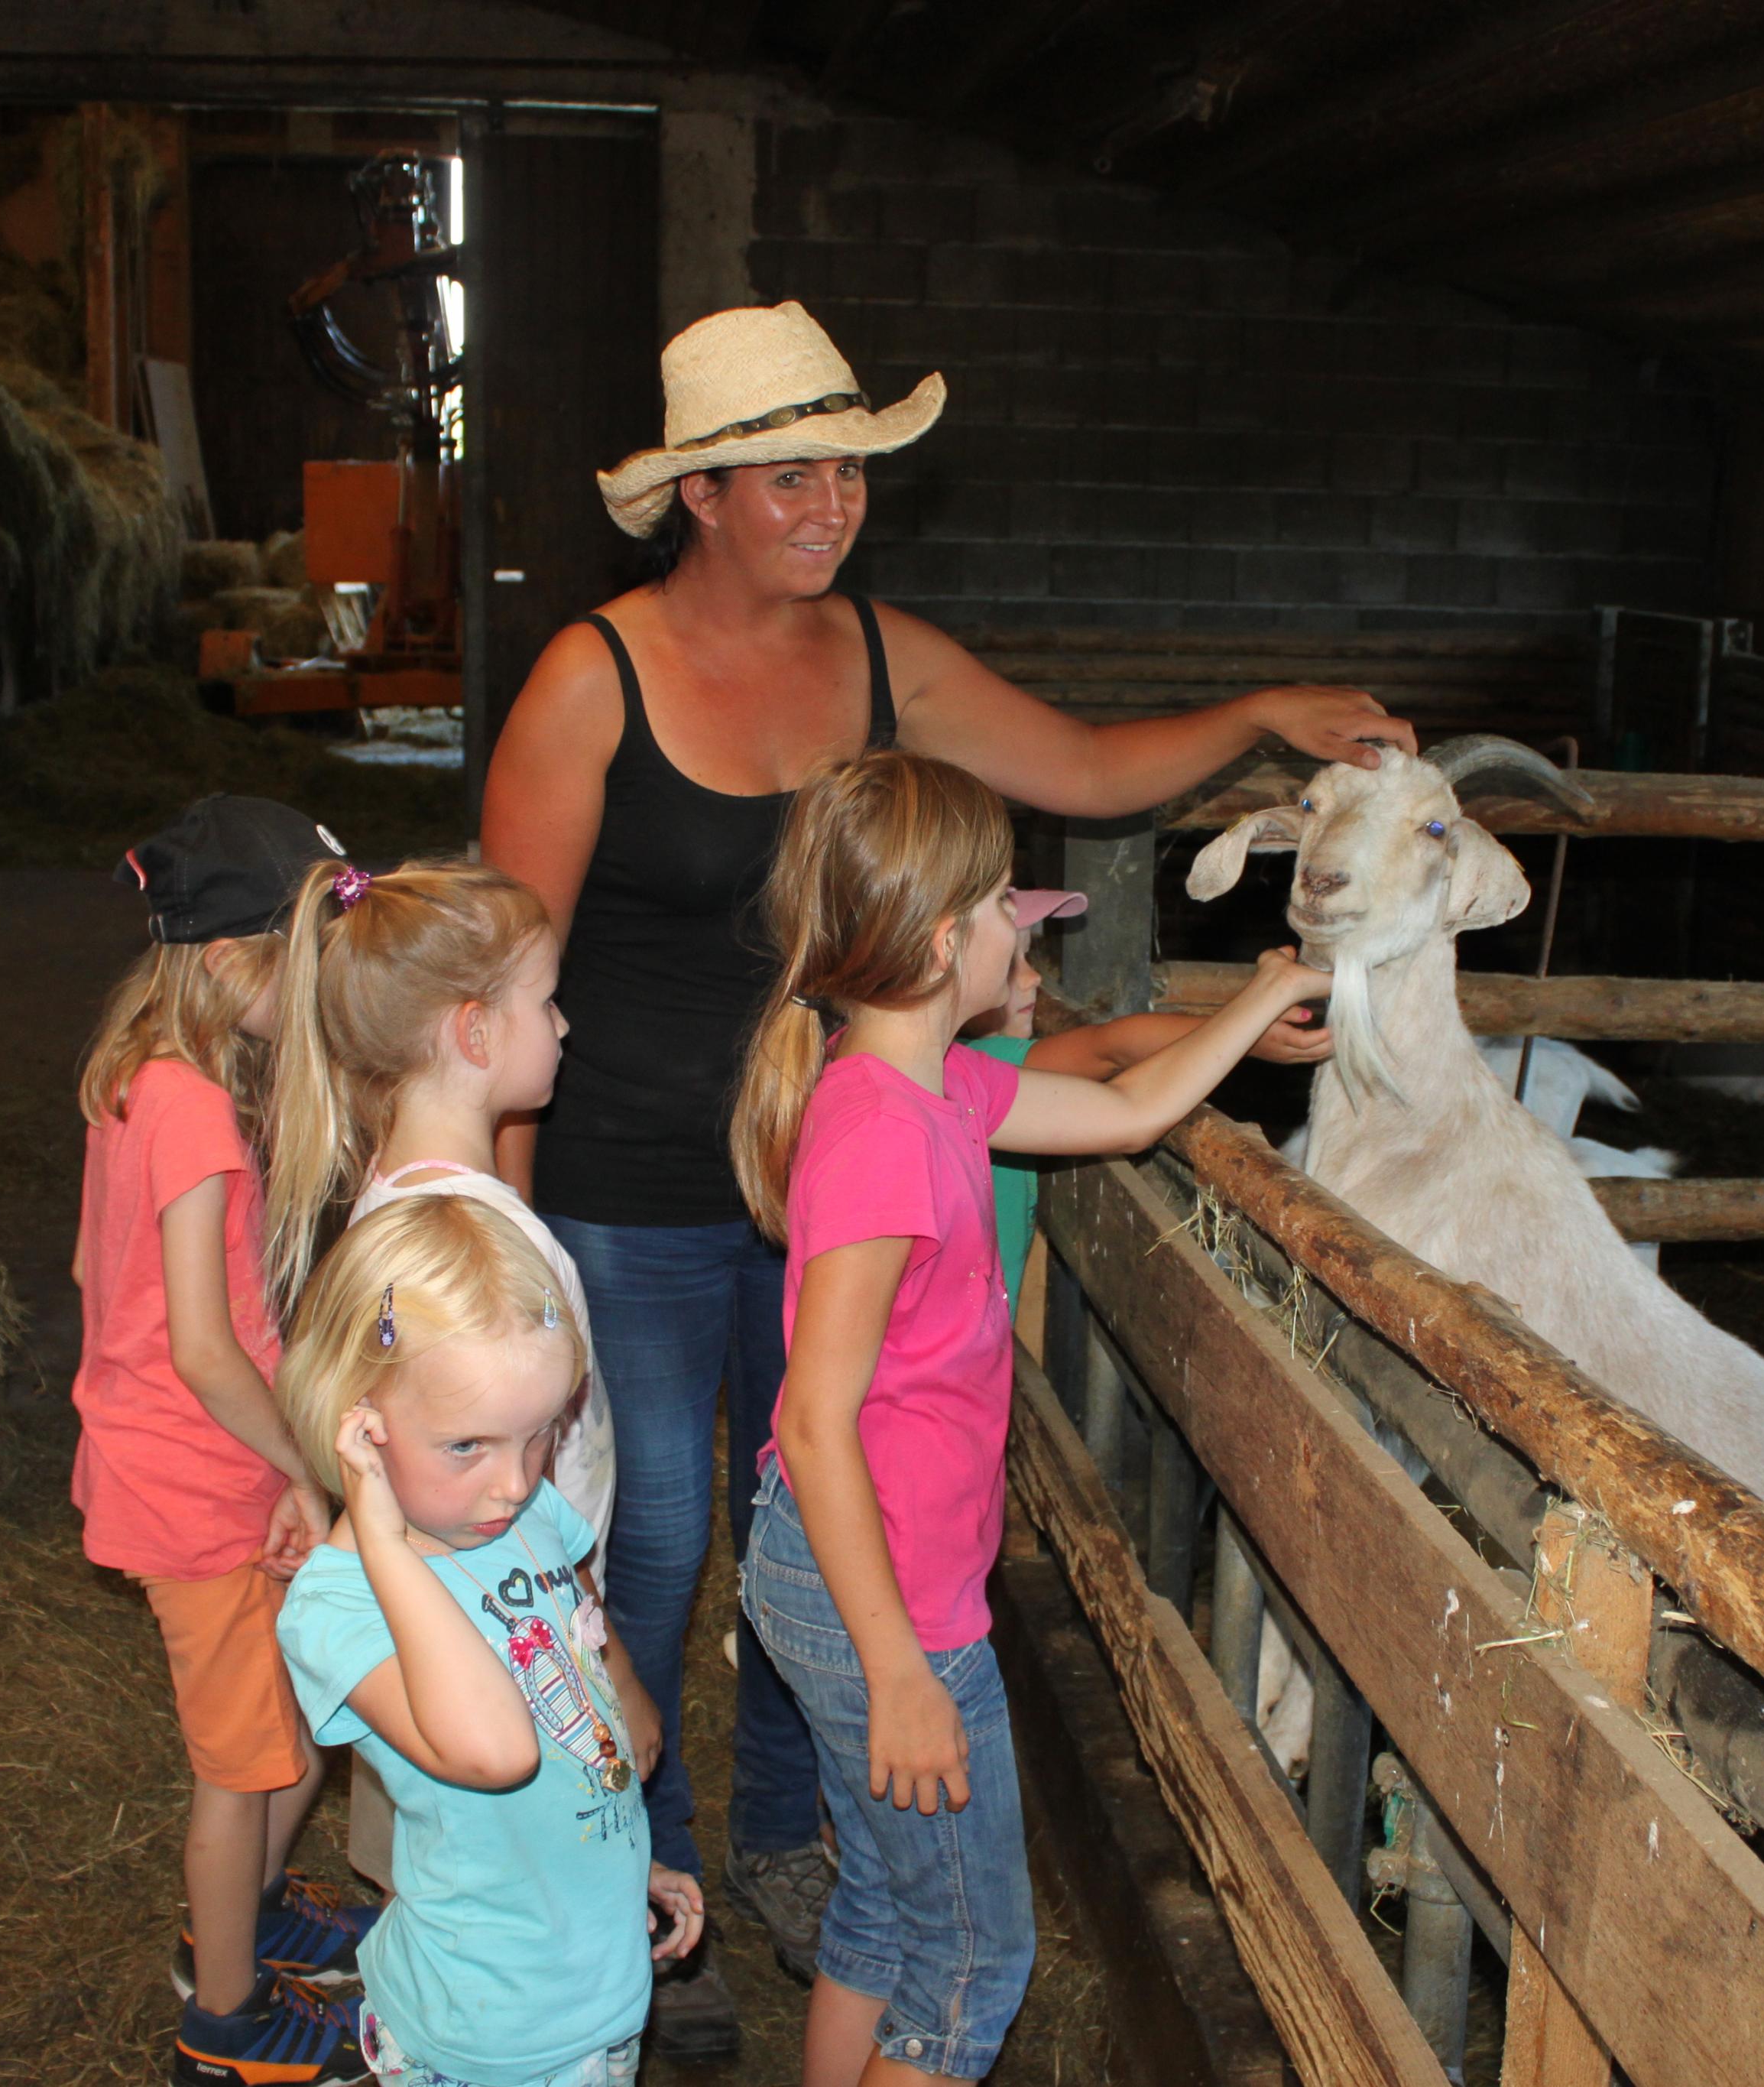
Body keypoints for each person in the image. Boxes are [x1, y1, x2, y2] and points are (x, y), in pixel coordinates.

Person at [478, 299, 1409, 2046]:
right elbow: (505, 967)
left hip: (819, 1174)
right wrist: (505, 1237)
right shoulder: (591, 683)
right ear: (699, 495)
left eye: (848, 468)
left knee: (798, 1524)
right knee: (654, 1535)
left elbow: (1085, 768)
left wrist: (1257, 715)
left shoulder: (880, 658)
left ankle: (790, 1841)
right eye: (790, 474)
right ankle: (635, 1877)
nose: (832, 501)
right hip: (623, 1190)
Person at [731, 750, 1329, 2085]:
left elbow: (1124, 1107)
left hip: (859, 1566)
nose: (1025, 924)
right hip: (882, 1598)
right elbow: (816, 1419)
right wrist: (898, 1672)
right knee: (972, 1969)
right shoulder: (884, 1135)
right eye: (1007, 901)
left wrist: (1260, 995)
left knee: (883, 1914)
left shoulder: (940, 1085)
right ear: (947, 940)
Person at [70, 795, 375, 2087]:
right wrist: (304, 1467)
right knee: (242, 1766)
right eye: (303, 971)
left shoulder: (139, 1080)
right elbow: (203, 1347)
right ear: (231, 959)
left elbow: (97, 1275)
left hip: (181, 1461)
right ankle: (225, 2017)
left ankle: (246, 1914)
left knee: (288, 1722)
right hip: (196, 1486)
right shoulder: (191, 1108)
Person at [274, 1195, 704, 2087]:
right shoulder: (341, 1605)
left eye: (539, 1434)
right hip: (489, 2036)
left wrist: (615, 1866)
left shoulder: (515, 1512)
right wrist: (386, 1544)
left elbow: (569, 1678)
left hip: (586, 1991)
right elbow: (497, 1754)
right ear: (358, 1422)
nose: (514, 1482)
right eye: (467, 1445)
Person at [264, 854, 617, 1893]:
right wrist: (593, 1630)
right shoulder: (493, 1244)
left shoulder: (398, 1215)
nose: (563, 1026)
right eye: (545, 1002)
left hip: (478, 1605)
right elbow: (549, 1468)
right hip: (505, 1624)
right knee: (478, 1872)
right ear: (474, 1032)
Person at [965, 888, 1331, 1297]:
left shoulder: (964, 1068)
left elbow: (1112, 1048)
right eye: (1009, 963)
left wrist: (1251, 1024)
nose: (1034, 978)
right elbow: (1112, 1049)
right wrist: (1251, 1021)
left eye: (1029, 956)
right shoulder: (972, 1070)